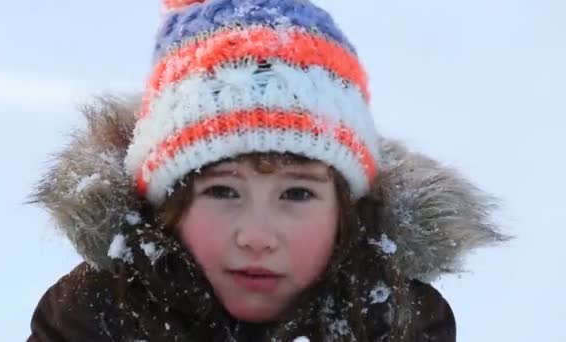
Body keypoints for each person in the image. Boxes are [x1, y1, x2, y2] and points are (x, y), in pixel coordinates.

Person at [28, 0, 506, 341]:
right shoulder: (93, 317)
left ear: (346, 211)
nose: (257, 236)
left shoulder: (398, 320)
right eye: (221, 191)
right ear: (166, 205)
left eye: (297, 194)